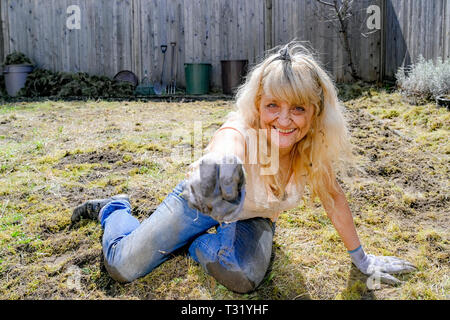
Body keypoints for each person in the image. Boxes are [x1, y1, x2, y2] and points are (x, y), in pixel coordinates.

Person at [71, 42, 416, 293]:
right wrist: (223, 166)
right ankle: (114, 208)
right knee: (121, 266)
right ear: (257, 104)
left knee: (243, 278)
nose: (283, 120)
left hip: (252, 217)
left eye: (297, 108)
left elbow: (333, 197)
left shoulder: (313, 147)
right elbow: (227, 144)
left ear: (314, 113)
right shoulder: (242, 128)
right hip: (201, 202)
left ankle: (190, 244)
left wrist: (361, 259)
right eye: (272, 105)